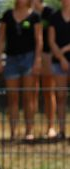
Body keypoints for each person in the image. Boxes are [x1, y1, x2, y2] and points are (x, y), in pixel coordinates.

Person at [0, 0, 42, 140]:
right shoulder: (7, 15)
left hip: (29, 58)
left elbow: (39, 40)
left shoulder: (35, 16)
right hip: (11, 59)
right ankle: (13, 132)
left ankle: (29, 131)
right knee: (12, 98)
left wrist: (37, 60)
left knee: (29, 96)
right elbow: (1, 38)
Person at [33, 0, 56, 137]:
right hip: (31, 56)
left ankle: (51, 126)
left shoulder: (50, 12)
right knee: (32, 93)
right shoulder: (28, 12)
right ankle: (31, 128)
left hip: (47, 55)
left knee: (48, 91)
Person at [49, 0, 70, 138]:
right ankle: (61, 130)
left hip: (62, 56)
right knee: (61, 96)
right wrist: (62, 58)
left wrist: (66, 49)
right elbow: (51, 41)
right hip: (58, 62)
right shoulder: (54, 17)